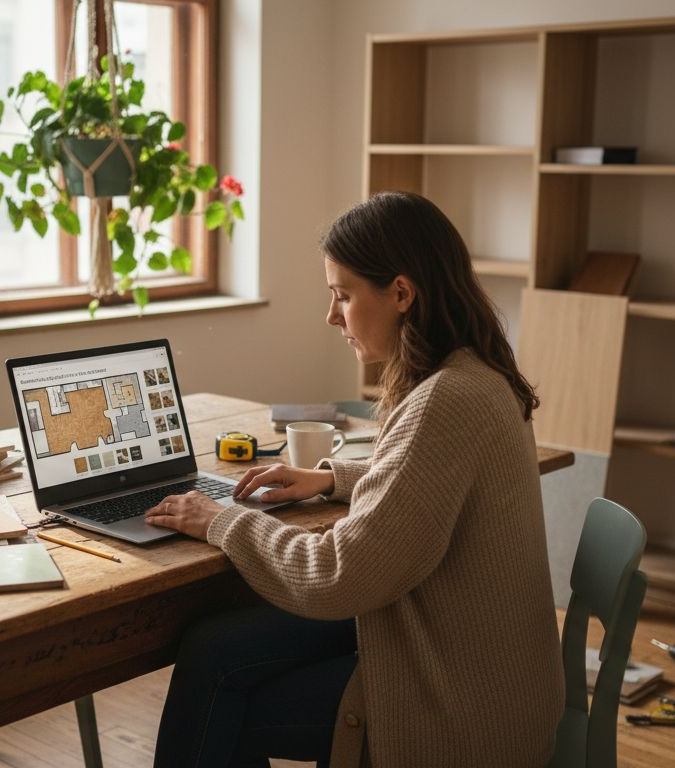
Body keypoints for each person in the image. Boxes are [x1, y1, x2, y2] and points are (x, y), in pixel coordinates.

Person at [144, 191, 564, 767]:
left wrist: (222, 520)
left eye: (342, 295)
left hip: (457, 704)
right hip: (483, 664)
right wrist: (330, 480)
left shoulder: (444, 401)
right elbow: (428, 479)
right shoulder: (476, 374)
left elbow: (339, 578)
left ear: (400, 293)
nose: (332, 316)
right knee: (214, 646)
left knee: (221, 695)